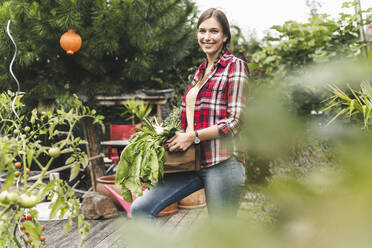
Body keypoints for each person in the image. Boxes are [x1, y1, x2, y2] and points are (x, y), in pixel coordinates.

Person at [131, 8, 249, 219]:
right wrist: (171, 135)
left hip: (222, 162)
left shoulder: (235, 67)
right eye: (202, 31)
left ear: (225, 36)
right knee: (141, 208)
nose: (207, 37)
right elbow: (191, 118)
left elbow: (235, 122)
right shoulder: (200, 71)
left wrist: (192, 136)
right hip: (190, 161)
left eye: (214, 31)